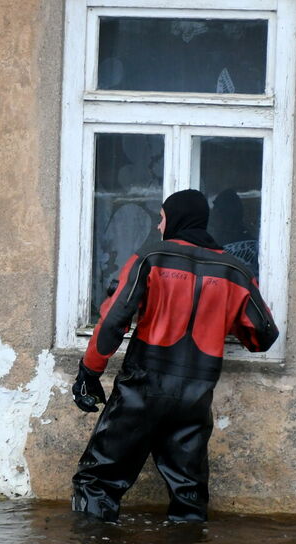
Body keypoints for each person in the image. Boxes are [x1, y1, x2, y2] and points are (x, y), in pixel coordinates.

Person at [70, 189, 278, 523]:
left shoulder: (151, 258)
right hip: (195, 396)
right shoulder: (234, 271)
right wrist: (220, 315)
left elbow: (113, 322)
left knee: (97, 483)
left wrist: (89, 373)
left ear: (176, 220)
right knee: (189, 497)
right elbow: (263, 336)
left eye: (162, 218)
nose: (159, 226)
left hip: (143, 386)